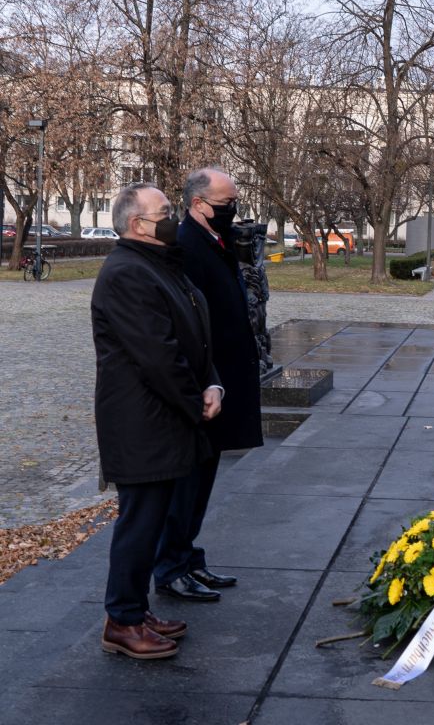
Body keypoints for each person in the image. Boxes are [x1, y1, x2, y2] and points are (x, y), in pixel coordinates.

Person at [92, 183, 223, 659]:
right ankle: (121, 621)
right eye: (163, 211)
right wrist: (196, 400)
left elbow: (194, 336)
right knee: (140, 522)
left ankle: (133, 608)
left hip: (164, 418)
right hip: (140, 422)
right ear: (136, 225)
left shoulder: (160, 263)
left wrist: (213, 383)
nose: (172, 217)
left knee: (151, 521)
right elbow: (158, 356)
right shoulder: (127, 273)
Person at [153, 168, 263, 602]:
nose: (231, 210)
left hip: (223, 381)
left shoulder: (214, 240)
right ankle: (171, 568)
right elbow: (185, 323)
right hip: (204, 388)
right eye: (224, 204)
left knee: (203, 480)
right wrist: (204, 384)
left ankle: (187, 557)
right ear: (198, 205)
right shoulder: (185, 245)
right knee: (186, 484)